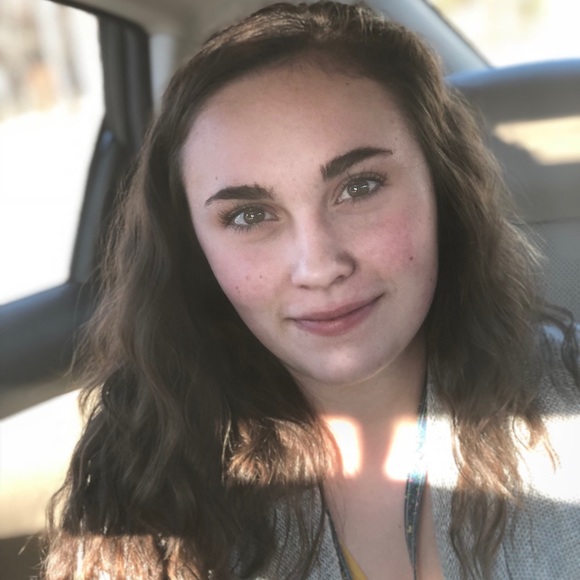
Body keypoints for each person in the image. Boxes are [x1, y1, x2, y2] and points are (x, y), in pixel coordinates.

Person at [44, 2, 580, 579]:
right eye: (249, 216)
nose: (319, 266)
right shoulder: (142, 479)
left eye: (360, 187)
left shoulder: (566, 392)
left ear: (440, 184)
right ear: (193, 250)